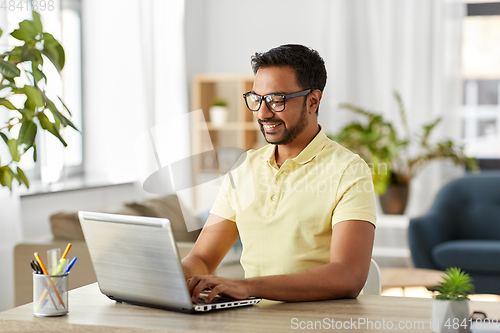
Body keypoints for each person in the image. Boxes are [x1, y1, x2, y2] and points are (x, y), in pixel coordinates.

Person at [182, 44, 376, 303]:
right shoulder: (245, 168)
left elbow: (348, 275)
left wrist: (247, 287)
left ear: (313, 101)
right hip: (251, 321)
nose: (263, 113)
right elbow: (203, 258)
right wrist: (170, 276)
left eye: (276, 100)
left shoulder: (349, 171)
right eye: (257, 99)